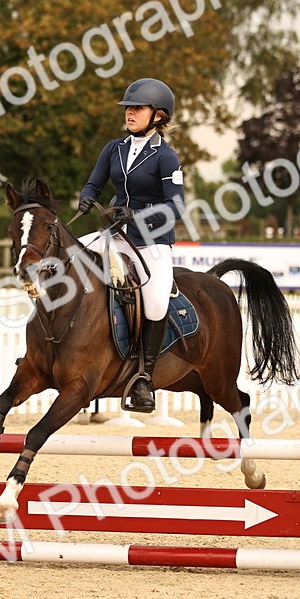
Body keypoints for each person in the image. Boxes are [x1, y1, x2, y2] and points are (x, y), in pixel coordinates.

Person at [78, 78, 184, 413]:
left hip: (151, 242)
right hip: (114, 235)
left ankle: (143, 379)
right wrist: (87, 196)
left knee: (154, 304)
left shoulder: (166, 158)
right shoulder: (114, 149)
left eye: (137, 108)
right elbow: (94, 182)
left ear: (158, 115)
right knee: (66, 263)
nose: (130, 113)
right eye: (128, 108)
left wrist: (137, 215)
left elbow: (176, 207)